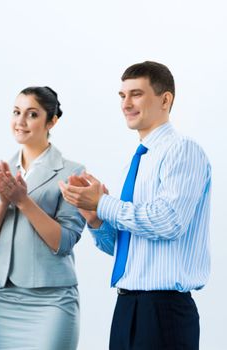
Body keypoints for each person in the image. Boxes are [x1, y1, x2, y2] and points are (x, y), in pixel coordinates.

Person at [59, 61, 211, 349]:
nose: (126, 104)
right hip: (128, 306)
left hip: (164, 311)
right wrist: (96, 220)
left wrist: (103, 203)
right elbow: (124, 248)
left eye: (136, 94)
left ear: (165, 100)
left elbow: (168, 223)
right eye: (122, 95)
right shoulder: (139, 159)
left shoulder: (182, 150)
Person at [0, 86, 86, 349]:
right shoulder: (1, 171)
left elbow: (64, 241)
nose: (20, 121)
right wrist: (4, 202)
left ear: (52, 121)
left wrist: (23, 201)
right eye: (16, 112)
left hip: (53, 299)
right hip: (5, 297)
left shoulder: (72, 172)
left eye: (32, 114)